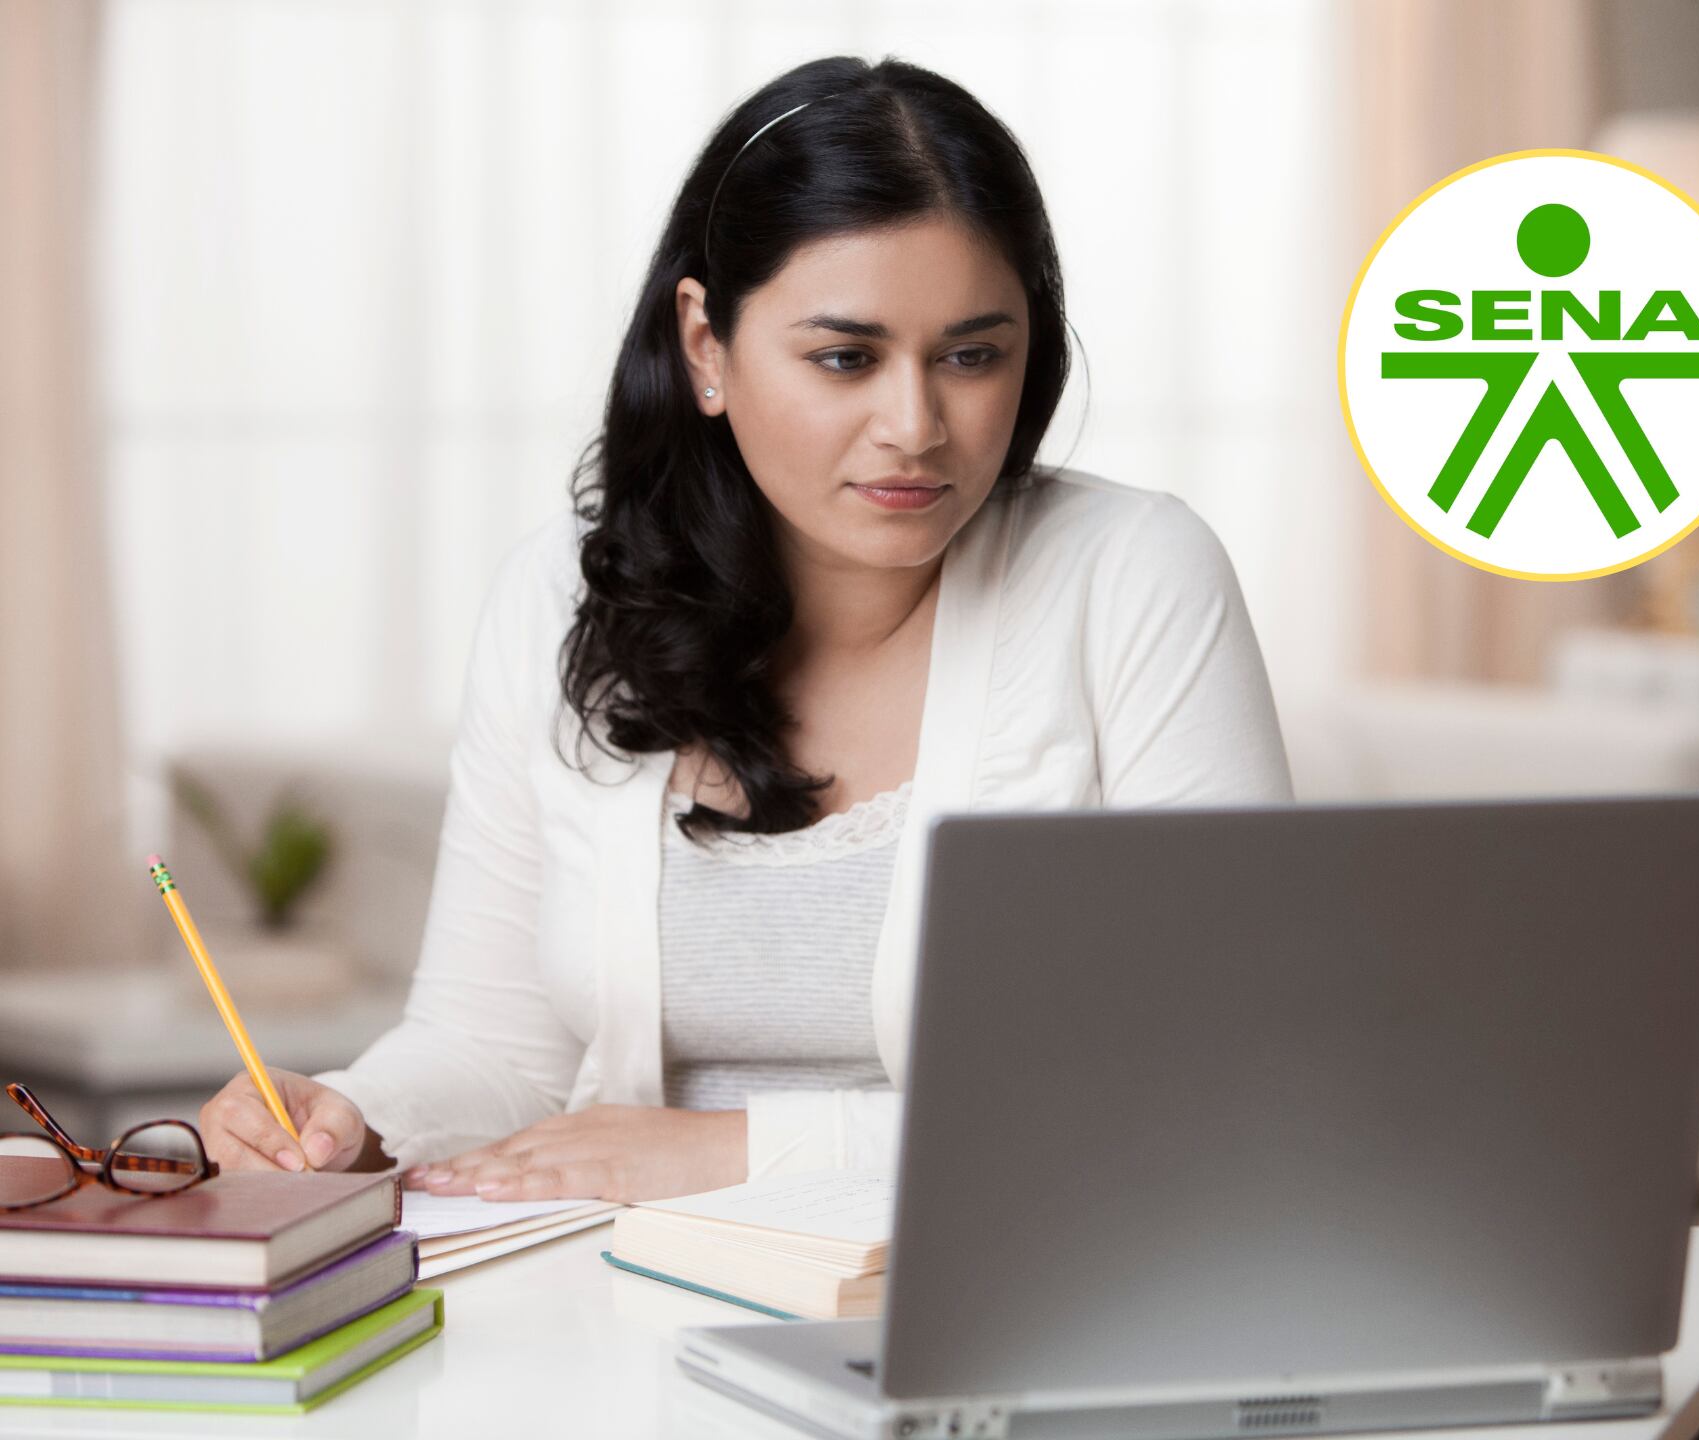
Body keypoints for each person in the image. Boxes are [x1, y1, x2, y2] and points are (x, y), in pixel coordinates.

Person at [196, 53, 1294, 1203]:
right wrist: (350, 1119)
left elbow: (1228, 1073)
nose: (914, 425)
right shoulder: (562, 600)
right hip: (613, 1308)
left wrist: (738, 1154)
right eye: (844, 358)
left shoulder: (1134, 579)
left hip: (990, 1308)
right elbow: (493, 1046)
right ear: (707, 347)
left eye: (974, 355)